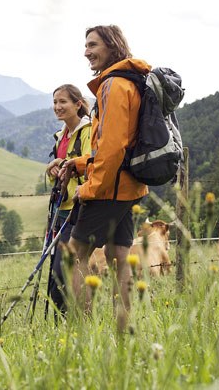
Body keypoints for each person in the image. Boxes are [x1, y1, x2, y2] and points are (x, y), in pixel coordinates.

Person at [59, 25, 150, 332]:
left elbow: (112, 146)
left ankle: (80, 331)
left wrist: (89, 188)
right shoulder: (131, 81)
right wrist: (81, 162)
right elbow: (118, 144)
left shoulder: (113, 85)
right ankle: (122, 329)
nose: (86, 51)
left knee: (76, 254)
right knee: (119, 256)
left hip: (109, 188)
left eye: (92, 45)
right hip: (130, 185)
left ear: (112, 47)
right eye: (85, 45)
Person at [44, 84, 91, 314]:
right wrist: (53, 170)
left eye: (63, 102)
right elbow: (62, 167)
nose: (57, 107)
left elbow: (92, 164)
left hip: (79, 208)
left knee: (66, 269)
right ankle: (61, 323)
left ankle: (74, 319)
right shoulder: (61, 136)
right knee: (55, 270)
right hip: (60, 208)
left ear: (77, 104)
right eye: (55, 102)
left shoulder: (87, 131)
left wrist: (61, 164)